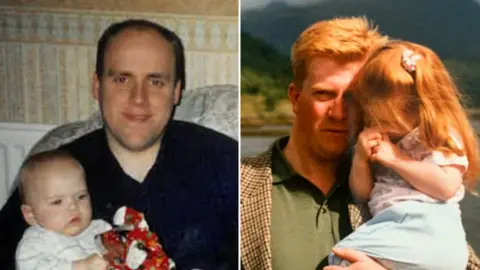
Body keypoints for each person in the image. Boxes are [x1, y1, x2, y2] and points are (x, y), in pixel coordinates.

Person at [240, 17, 480, 270]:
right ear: (296, 98)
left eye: (354, 97)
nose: (340, 113)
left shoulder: (411, 188)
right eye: (324, 94)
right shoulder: (237, 184)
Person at [0, 19, 238, 270]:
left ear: (176, 91)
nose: (139, 99)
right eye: (122, 80)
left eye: (156, 82)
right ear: (97, 86)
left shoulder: (224, 161)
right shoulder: (52, 175)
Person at [327, 40, 480, 270]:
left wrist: (395, 159)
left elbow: (446, 187)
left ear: (421, 106)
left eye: (392, 116)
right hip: (393, 227)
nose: (383, 123)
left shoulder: (438, 135)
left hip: (426, 226)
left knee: (341, 257)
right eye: (376, 115)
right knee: (346, 260)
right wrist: (360, 159)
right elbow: (362, 195)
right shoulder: (383, 139)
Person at [15, 150, 111, 270]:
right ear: (31, 215)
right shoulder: (34, 243)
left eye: (81, 196)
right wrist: (80, 266)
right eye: (57, 202)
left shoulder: (100, 229)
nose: (73, 206)